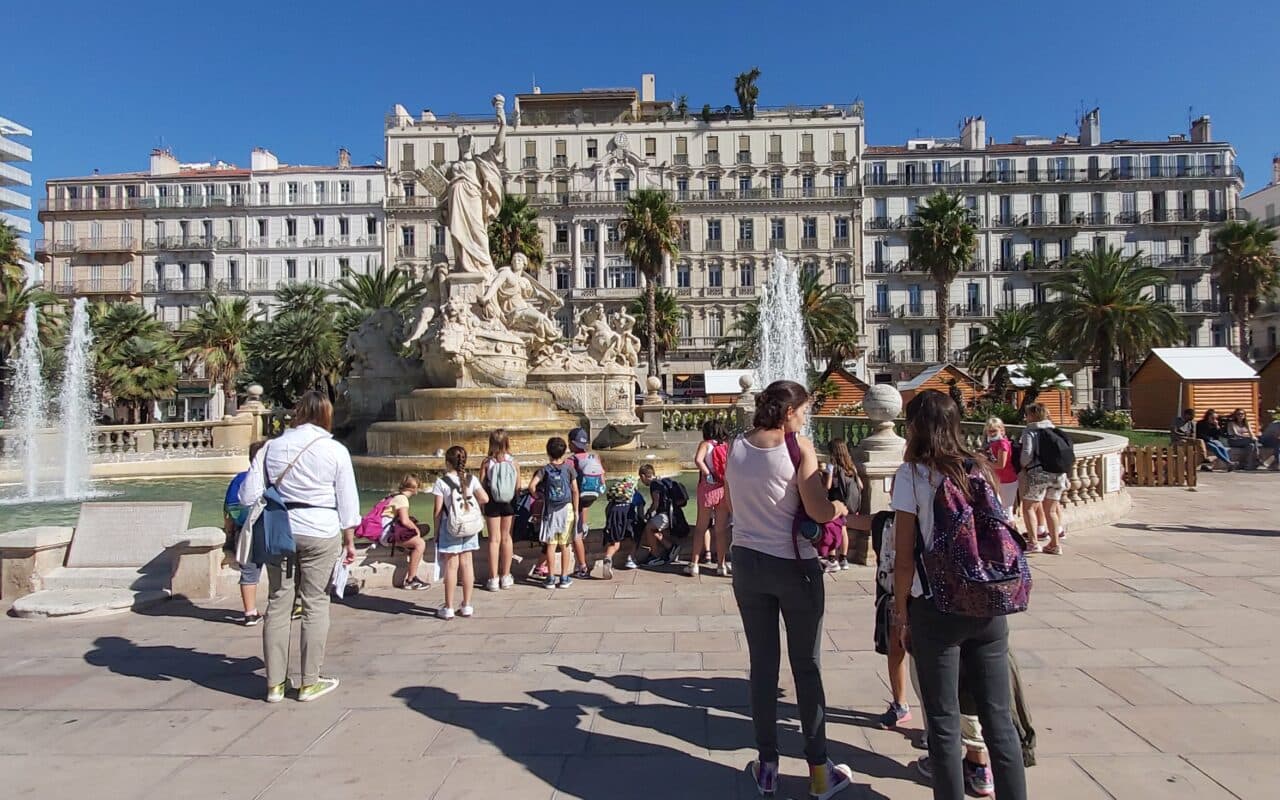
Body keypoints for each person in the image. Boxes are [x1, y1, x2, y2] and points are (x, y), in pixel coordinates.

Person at [714, 380, 854, 800]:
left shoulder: (736, 446)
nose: (807, 416)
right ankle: (818, 772)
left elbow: (733, 506)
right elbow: (816, 509)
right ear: (790, 412)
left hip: (748, 565)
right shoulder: (798, 447)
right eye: (805, 409)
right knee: (806, 667)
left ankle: (768, 767)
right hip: (795, 568)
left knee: (762, 667)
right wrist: (839, 509)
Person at [891, 390, 1028, 800]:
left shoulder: (912, 475)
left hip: (936, 609)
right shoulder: (981, 468)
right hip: (988, 605)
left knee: (944, 721)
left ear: (916, 428)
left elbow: (903, 557)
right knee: (999, 720)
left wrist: (901, 613)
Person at [240, 391, 359, 704]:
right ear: (326, 415)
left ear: (297, 413)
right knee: (315, 602)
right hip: (321, 529)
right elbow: (347, 501)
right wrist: (350, 538)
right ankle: (309, 682)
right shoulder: (335, 450)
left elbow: (247, 495)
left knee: (279, 602)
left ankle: (274, 685)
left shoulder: (271, 447)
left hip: (282, 528)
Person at [431, 445, 490, 619]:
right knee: (467, 564)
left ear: (448, 462)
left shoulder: (442, 482)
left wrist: (436, 533)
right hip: (470, 526)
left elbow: (437, 510)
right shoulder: (471, 479)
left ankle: (448, 607)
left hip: (450, 527)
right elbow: (485, 498)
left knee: (451, 566)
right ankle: (467, 605)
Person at [870, 511, 913, 731]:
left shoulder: (924, 518)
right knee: (895, 650)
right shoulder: (885, 520)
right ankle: (900, 704)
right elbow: (858, 520)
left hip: (917, 598)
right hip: (891, 596)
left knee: (923, 664)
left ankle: (933, 725)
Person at [528, 436, 580, 590]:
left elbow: (532, 486)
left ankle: (550, 578)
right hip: (566, 509)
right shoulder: (569, 469)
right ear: (564, 451)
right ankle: (564, 577)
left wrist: (538, 497)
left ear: (548, 452)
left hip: (550, 510)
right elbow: (575, 491)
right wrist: (576, 510)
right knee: (565, 545)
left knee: (550, 545)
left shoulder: (545, 469)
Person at [224, 441, 265, 626]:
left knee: (248, 572)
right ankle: (280, 609)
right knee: (279, 570)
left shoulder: (239, 478)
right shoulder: (270, 478)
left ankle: (250, 612)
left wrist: (230, 533)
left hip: (244, 530)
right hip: (268, 528)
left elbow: (228, 510)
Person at [1019, 404, 1066, 556]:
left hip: (1039, 473)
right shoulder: (1055, 431)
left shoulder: (1030, 431)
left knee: (1029, 507)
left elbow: (1027, 454)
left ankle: (1033, 542)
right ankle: (1055, 544)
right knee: (1051, 510)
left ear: (1031, 415)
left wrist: (1022, 465)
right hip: (1058, 473)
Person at [688, 419, 729, 577]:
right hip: (722, 488)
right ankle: (721, 565)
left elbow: (698, 460)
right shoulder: (725, 446)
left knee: (700, 527)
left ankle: (694, 564)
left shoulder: (705, 444)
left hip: (707, 488)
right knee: (721, 530)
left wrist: (707, 474)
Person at [480, 429, 519, 591]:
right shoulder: (514, 462)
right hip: (509, 501)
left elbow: (481, 484)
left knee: (493, 539)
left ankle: (493, 578)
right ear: (507, 442)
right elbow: (518, 486)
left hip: (492, 501)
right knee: (507, 538)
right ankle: (506, 576)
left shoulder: (487, 463)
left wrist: (482, 505)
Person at [382, 474, 430, 590]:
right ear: (414, 488)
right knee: (420, 543)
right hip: (388, 535)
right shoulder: (402, 499)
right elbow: (404, 520)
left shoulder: (393, 496)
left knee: (425, 528)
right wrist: (416, 531)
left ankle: (406, 547)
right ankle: (410, 580)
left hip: (385, 531)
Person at [567, 427, 604, 581]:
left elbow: (568, 482)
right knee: (582, 524)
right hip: (592, 495)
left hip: (577, 498)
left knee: (576, 534)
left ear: (571, 444)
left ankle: (582, 566)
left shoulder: (571, 460)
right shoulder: (594, 457)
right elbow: (602, 478)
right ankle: (585, 526)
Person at [824, 439, 863, 572]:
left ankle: (832, 559)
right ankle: (843, 559)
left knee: (833, 529)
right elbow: (861, 486)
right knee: (843, 530)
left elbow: (828, 486)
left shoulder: (831, 466)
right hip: (848, 505)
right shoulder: (851, 466)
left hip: (835, 503)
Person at [633, 464, 682, 567]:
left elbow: (656, 503)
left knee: (649, 528)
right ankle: (671, 548)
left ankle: (656, 555)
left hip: (665, 515)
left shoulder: (654, 485)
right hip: (672, 514)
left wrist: (648, 513)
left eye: (641, 479)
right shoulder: (661, 481)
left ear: (643, 476)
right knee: (653, 529)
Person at [983, 419, 1019, 527]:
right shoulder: (992, 444)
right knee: (1000, 509)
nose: (992, 433)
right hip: (997, 478)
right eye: (989, 431)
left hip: (1007, 479)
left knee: (1007, 510)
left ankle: (1011, 536)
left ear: (1001, 430)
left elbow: (1001, 465)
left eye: (994, 431)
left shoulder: (1003, 444)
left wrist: (984, 463)